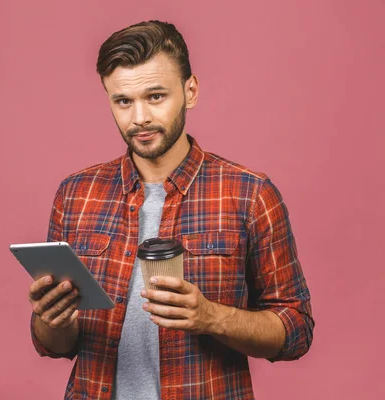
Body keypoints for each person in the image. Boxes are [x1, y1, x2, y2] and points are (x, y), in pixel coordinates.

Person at [27, 20, 314, 400]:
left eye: (156, 96)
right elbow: (55, 345)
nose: (140, 117)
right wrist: (51, 320)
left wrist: (212, 317)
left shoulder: (249, 194)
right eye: (123, 101)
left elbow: (295, 330)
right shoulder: (76, 195)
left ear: (190, 91)